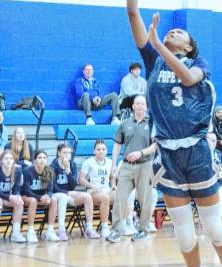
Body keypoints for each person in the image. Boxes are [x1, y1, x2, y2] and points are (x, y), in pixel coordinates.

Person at [124, 0, 222, 267]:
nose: (173, 31)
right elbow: (133, 15)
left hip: (198, 149)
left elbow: (187, 79)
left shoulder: (198, 62)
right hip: (168, 152)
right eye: (169, 31)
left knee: (213, 228)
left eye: (180, 32)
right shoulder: (153, 61)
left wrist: (159, 44)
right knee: (184, 235)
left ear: (188, 45)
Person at [108, 94, 156, 242]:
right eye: (137, 103)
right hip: (127, 166)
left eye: (143, 103)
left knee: (145, 199)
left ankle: (143, 230)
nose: (140, 106)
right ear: (133, 106)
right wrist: (114, 164)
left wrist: (140, 153)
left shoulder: (152, 124)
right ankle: (116, 230)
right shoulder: (125, 123)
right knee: (120, 198)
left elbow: (156, 145)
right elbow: (117, 144)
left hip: (145, 165)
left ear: (146, 107)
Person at [51, 144, 100, 240]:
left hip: (69, 194)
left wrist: (68, 170)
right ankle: (61, 230)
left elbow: (73, 185)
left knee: (87, 197)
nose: (67, 155)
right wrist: (67, 193)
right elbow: (52, 187)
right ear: (59, 153)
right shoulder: (53, 166)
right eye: (65, 152)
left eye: (69, 152)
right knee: (63, 197)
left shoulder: (72, 164)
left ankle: (89, 228)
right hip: (57, 195)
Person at [0, 150, 27, 244]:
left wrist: (17, 196)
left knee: (19, 203)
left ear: (14, 161)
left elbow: (16, 189)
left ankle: (15, 234)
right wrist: (10, 197)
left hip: (5, 196)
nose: (8, 161)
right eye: (6, 158)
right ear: (1, 161)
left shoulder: (17, 171)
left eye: (11, 159)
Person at [79, 139, 115, 239]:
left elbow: (112, 176)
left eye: (103, 149)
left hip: (106, 189)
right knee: (105, 198)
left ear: (106, 151)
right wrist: (91, 185)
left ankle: (126, 222)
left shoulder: (109, 162)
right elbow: (81, 179)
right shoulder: (89, 162)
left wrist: (113, 184)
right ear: (94, 151)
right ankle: (104, 227)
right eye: (98, 149)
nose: (101, 151)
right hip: (94, 192)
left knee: (123, 194)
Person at [22, 150, 60, 242]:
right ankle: (30, 231)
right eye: (39, 158)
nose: (42, 160)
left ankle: (50, 231)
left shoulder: (49, 171)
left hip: (41, 197)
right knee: (33, 201)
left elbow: (51, 190)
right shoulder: (27, 171)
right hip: (26, 196)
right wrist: (40, 198)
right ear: (34, 160)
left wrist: (47, 196)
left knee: (53, 200)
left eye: (44, 158)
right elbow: (26, 191)